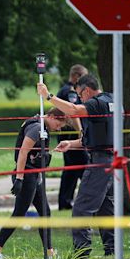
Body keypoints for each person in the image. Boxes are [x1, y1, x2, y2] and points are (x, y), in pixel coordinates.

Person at [37, 74, 115, 258]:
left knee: (81, 209)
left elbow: (73, 110)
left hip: (100, 163)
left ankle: (82, 254)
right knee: (106, 209)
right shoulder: (112, 100)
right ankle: (112, 251)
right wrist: (71, 144)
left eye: (80, 94)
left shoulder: (96, 103)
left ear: (87, 90)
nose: (80, 98)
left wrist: (48, 96)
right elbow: (102, 137)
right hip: (112, 161)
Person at [0, 108, 67, 259]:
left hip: (35, 175)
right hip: (26, 174)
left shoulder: (44, 127)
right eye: (58, 124)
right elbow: (23, 153)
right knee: (19, 214)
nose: (58, 128)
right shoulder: (36, 128)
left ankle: (49, 252)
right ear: (52, 116)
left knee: (45, 213)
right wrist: (19, 178)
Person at [56, 64, 89, 210]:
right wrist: (81, 133)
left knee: (70, 170)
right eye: (83, 77)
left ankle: (65, 202)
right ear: (76, 76)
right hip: (73, 136)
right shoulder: (70, 92)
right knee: (85, 169)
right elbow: (73, 112)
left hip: (67, 136)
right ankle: (89, 200)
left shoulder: (63, 90)